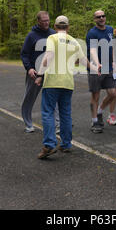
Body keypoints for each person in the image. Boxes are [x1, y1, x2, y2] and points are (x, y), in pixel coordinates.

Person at [34, 16, 100, 159]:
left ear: (55, 26)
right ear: (68, 27)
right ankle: (66, 144)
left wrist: (40, 74)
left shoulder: (52, 38)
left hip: (52, 81)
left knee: (48, 112)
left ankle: (50, 145)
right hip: (68, 83)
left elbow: (49, 56)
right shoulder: (74, 41)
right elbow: (83, 60)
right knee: (65, 113)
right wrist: (95, 68)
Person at [20, 11, 59, 133]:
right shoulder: (32, 36)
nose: (47, 23)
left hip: (50, 72)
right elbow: (24, 54)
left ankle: (57, 124)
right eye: (44, 21)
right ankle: (28, 123)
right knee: (29, 98)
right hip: (35, 72)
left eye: (48, 20)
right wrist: (29, 68)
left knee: (55, 99)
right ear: (38, 21)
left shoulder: (53, 34)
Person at [86, 10, 116, 134]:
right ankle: (95, 121)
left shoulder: (110, 30)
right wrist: (97, 63)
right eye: (98, 17)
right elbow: (93, 50)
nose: (101, 18)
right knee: (96, 95)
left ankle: (99, 110)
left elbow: (112, 46)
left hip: (108, 67)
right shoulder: (92, 33)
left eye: (103, 16)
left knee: (113, 93)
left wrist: (114, 61)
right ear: (95, 19)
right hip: (95, 67)